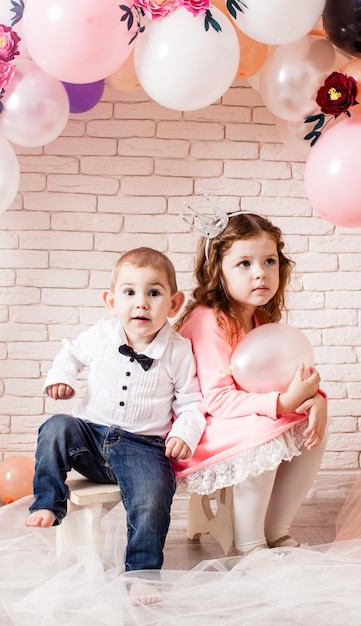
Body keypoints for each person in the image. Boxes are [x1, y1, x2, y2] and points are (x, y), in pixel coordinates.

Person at [25, 247, 206, 579]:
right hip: (89, 440)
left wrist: (184, 433)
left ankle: (142, 572)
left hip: (143, 448)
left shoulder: (178, 351)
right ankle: (48, 501)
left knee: (153, 497)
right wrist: (62, 378)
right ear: (111, 302)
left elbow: (192, 403)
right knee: (55, 426)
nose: (141, 302)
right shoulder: (101, 334)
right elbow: (70, 356)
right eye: (129, 292)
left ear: (174, 303)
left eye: (154, 292)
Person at [173, 209, 328, 555]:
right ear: (218, 270)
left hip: (238, 416)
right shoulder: (208, 320)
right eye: (244, 263)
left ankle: (277, 528)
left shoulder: (259, 318)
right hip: (201, 426)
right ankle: (250, 542)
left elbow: (277, 376)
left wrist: (312, 398)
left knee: (310, 424)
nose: (261, 273)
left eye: (269, 261)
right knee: (262, 436)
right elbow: (217, 399)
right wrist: (281, 404)